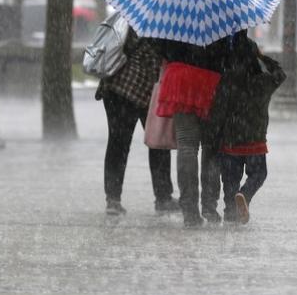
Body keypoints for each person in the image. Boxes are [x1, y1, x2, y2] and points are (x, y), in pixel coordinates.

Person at [96, 28, 179, 216]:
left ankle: (113, 199)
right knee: (156, 142)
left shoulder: (134, 17)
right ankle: (162, 197)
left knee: (119, 143)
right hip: (135, 88)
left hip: (117, 86)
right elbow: (164, 57)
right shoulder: (162, 27)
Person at [153, 36, 233, 226]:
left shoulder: (173, 11)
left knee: (186, 145)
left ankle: (189, 210)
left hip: (180, 77)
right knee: (211, 149)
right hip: (212, 79)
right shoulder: (223, 12)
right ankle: (209, 206)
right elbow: (233, 52)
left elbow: (159, 46)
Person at [209, 36, 285, 224]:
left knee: (230, 180)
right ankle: (245, 194)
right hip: (254, 139)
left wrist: (215, 134)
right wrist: (262, 57)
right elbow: (280, 74)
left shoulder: (227, 80)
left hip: (231, 139)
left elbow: (218, 109)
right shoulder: (264, 82)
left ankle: (230, 214)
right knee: (259, 174)